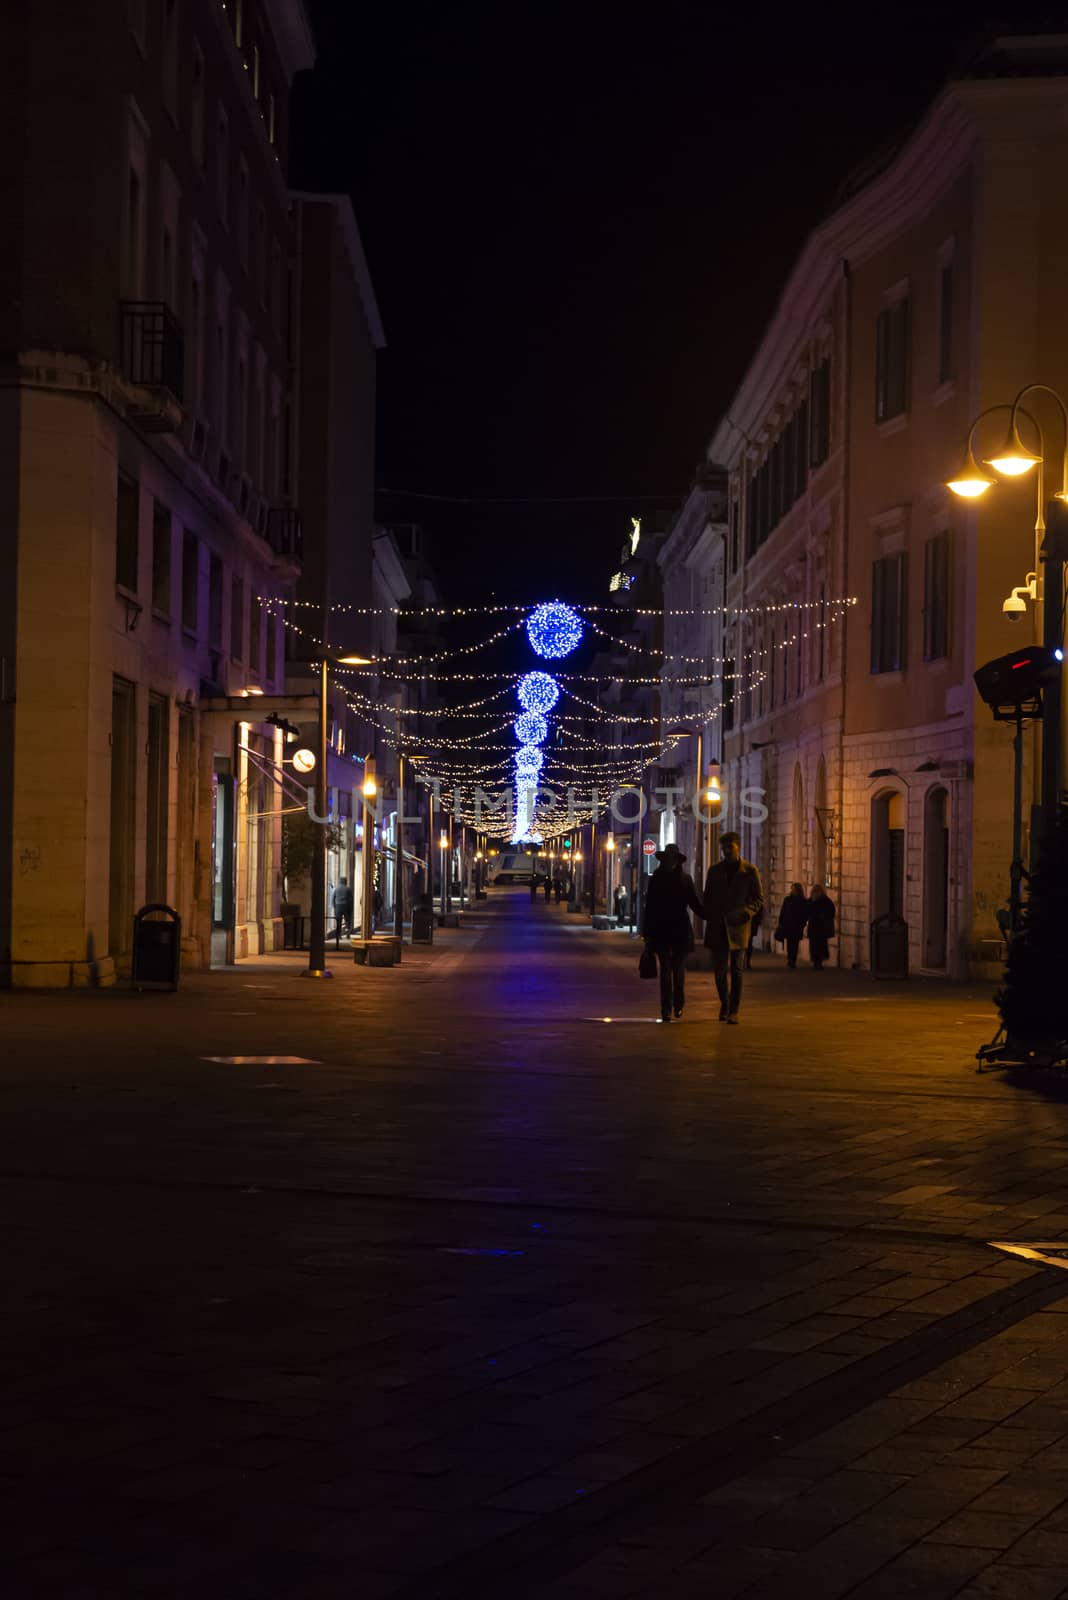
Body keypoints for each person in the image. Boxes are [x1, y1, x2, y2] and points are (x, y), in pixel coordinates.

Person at [703, 832, 763, 1023]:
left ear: (738, 847)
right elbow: (708, 897)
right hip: (718, 926)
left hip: (739, 927)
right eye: (724, 848)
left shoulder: (749, 871)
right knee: (719, 971)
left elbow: (758, 898)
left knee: (737, 970)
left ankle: (734, 1011)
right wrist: (710, 913)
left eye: (731, 847)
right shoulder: (714, 871)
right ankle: (725, 1002)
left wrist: (746, 912)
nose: (727, 851)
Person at [642, 843, 704, 1022]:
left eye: (673, 859)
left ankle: (676, 1004)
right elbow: (650, 908)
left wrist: (709, 914)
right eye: (668, 859)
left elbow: (694, 903)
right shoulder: (661, 880)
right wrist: (648, 935)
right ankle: (668, 1008)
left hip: (677, 931)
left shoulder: (683, 880)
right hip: (665, 930)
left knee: (677, 972)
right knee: (667, 971)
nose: (670, 862)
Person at [774, 883, 809, 968]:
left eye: (794, 889)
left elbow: (805, 913)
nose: (792, 891)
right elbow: (783, 911)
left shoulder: (803, 901)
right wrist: (781, 922)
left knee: (795, 942)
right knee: (790, 942)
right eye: (792, 889)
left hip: (797, 925)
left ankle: (793, 959)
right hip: (788, 924)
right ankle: (790, 959)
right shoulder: (787, 899)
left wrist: (803, 923)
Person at [807, 883, 836, 969]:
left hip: (821, 927)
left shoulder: (826, 901)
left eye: (817, 891)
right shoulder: (811, 901)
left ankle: (819, 961)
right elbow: (806, 910)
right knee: (814, 945)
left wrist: (823, 916)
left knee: (820, 944)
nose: (816, 893)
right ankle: (816, 961)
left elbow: (831, 912)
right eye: (815, 891)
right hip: (813, 926)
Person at [744, 906, 763, 970]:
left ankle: (746, 962)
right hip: (749, 923)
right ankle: (746, 962)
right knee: (748, 943)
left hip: (749, 923)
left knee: (747, 944)